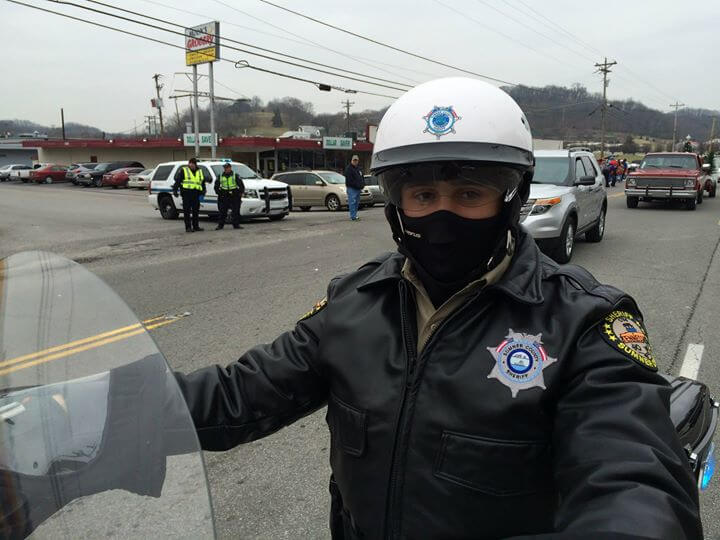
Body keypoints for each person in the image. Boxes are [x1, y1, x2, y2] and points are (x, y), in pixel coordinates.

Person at [174, 78, 702, 539]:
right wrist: (131, 405)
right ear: (398, 205)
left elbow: (636, 484)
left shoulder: (582, 322)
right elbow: (238, 394)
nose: (442, 214)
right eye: (423, 196)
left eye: (469, 194)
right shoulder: (355, 302)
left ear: (511, 200)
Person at [173, 157, 205, 232]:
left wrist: (203, 192)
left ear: (195, 164)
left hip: (196, 194)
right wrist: (175, 190)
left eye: (192, 164)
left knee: (195, 211)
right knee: (187, 211)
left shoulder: (199, 171)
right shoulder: (184, 170)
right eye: (190, 164)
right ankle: (188, 227)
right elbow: (178, 181)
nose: (191, 165)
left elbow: (202, 183)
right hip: (186, 194)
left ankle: (196, 226)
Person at [214, 162, 245, 230]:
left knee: (236, 211)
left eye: (227, 168)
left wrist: (240, 193)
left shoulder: (235, 175)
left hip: (234, 195)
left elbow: (241, 185)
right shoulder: (220, 176)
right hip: (224, 195)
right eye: (225, 168)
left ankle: (236, 225)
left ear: (230, 168)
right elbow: (216, 186)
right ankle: (220, 225)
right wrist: (219, 193)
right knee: (222, 211)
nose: (226, 169)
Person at [344, 154, 364, 221]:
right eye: (354, 160)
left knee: (356, 203)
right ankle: (353, 217)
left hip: (358, 188)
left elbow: (361, 177)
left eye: (356, 160)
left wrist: (362, 184)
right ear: (351, 160)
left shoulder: (359, 168)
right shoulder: (348, 169)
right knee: (352, 202)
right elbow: (349, 180)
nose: (355, 161)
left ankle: (355, 215)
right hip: (351, 188)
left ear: (358, 161)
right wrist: (357, 185)